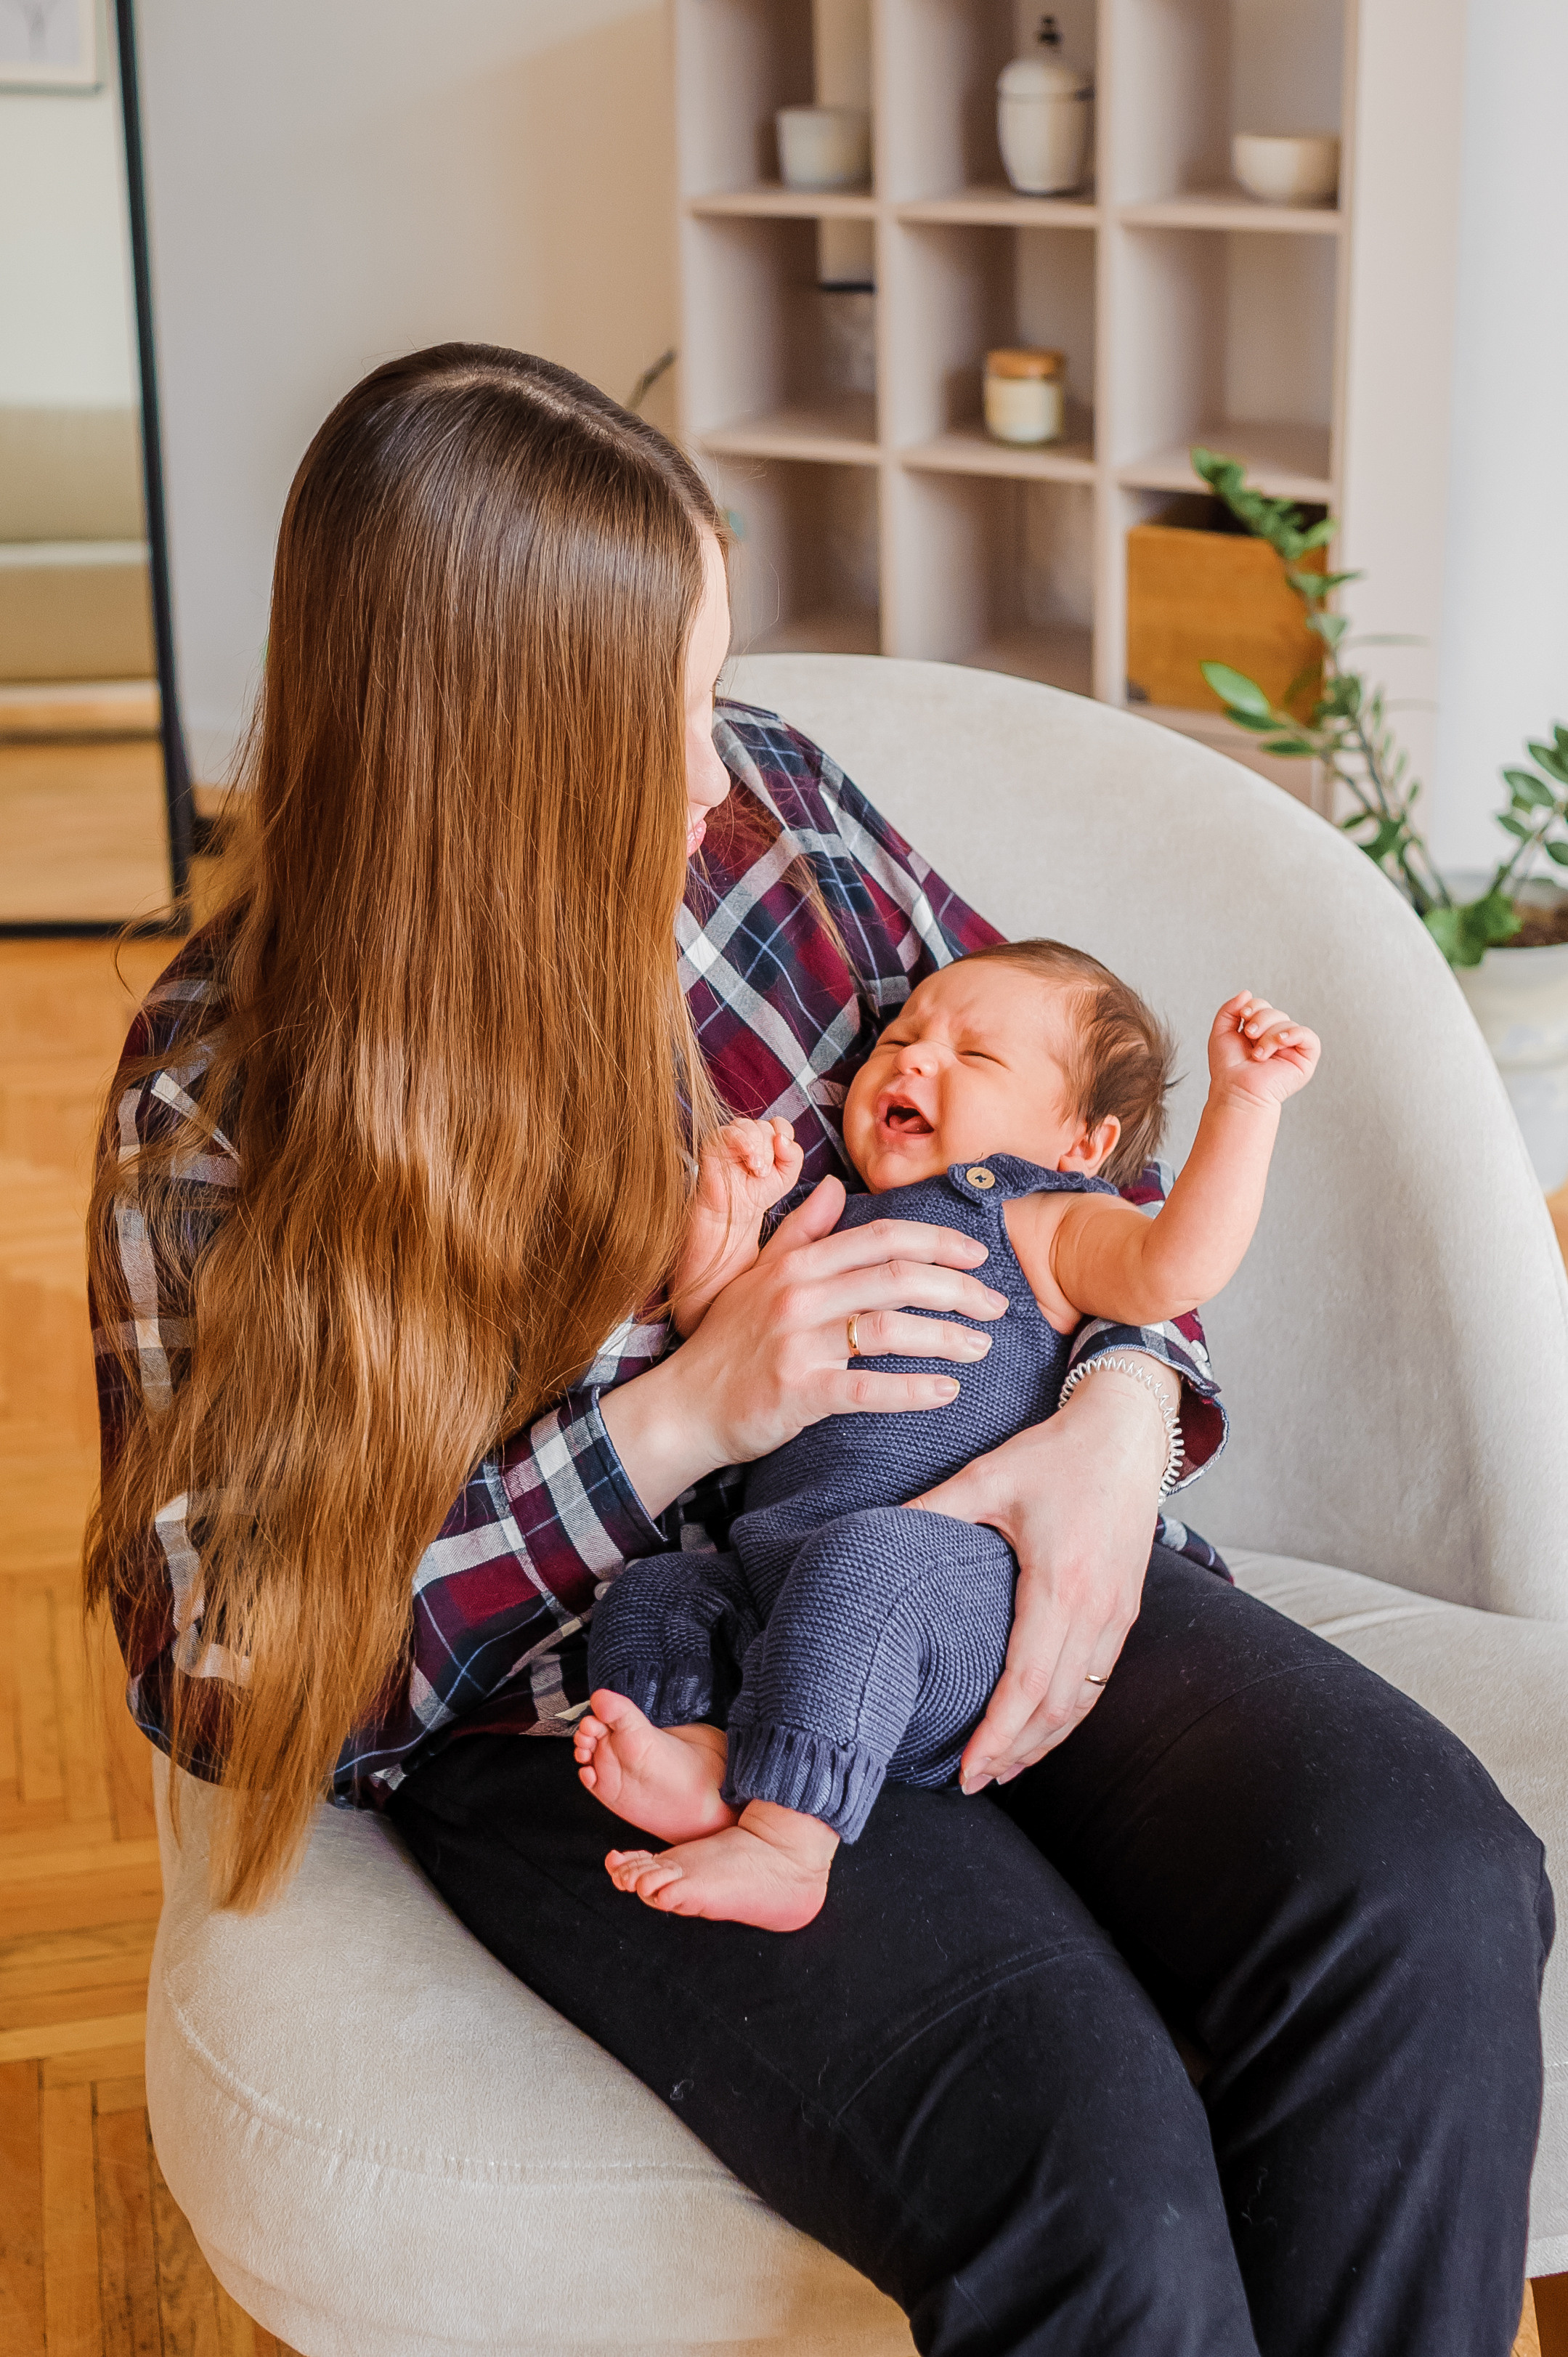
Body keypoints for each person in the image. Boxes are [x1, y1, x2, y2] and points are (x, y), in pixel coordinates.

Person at [85, 344, 1551, 2357]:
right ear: (496, 750)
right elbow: (217, 1658)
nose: (720, 764)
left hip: (972, 1534)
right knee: (1090, 2165)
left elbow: (1076, 1137)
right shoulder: (222, 1101)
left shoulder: (775, 815)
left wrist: (1119, 1414)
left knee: (1435, 1884)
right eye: (666, 716)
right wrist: (688, 1412)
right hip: (621, 1681)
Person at [577, 949, 1320, 1930]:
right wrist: (727, 1231)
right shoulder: (831, 1211)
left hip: (950, 1594)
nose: (913, 1059)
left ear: (1083, 1142)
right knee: (654, 1593)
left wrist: (1246, 1104)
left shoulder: (1046, 1220)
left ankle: (787, 1845)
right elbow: (727, 1343)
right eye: (900, 1037)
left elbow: (1170, 1268)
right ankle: (702, 1754)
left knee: (865, 1563)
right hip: (775, 1581)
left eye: (974, 1053)